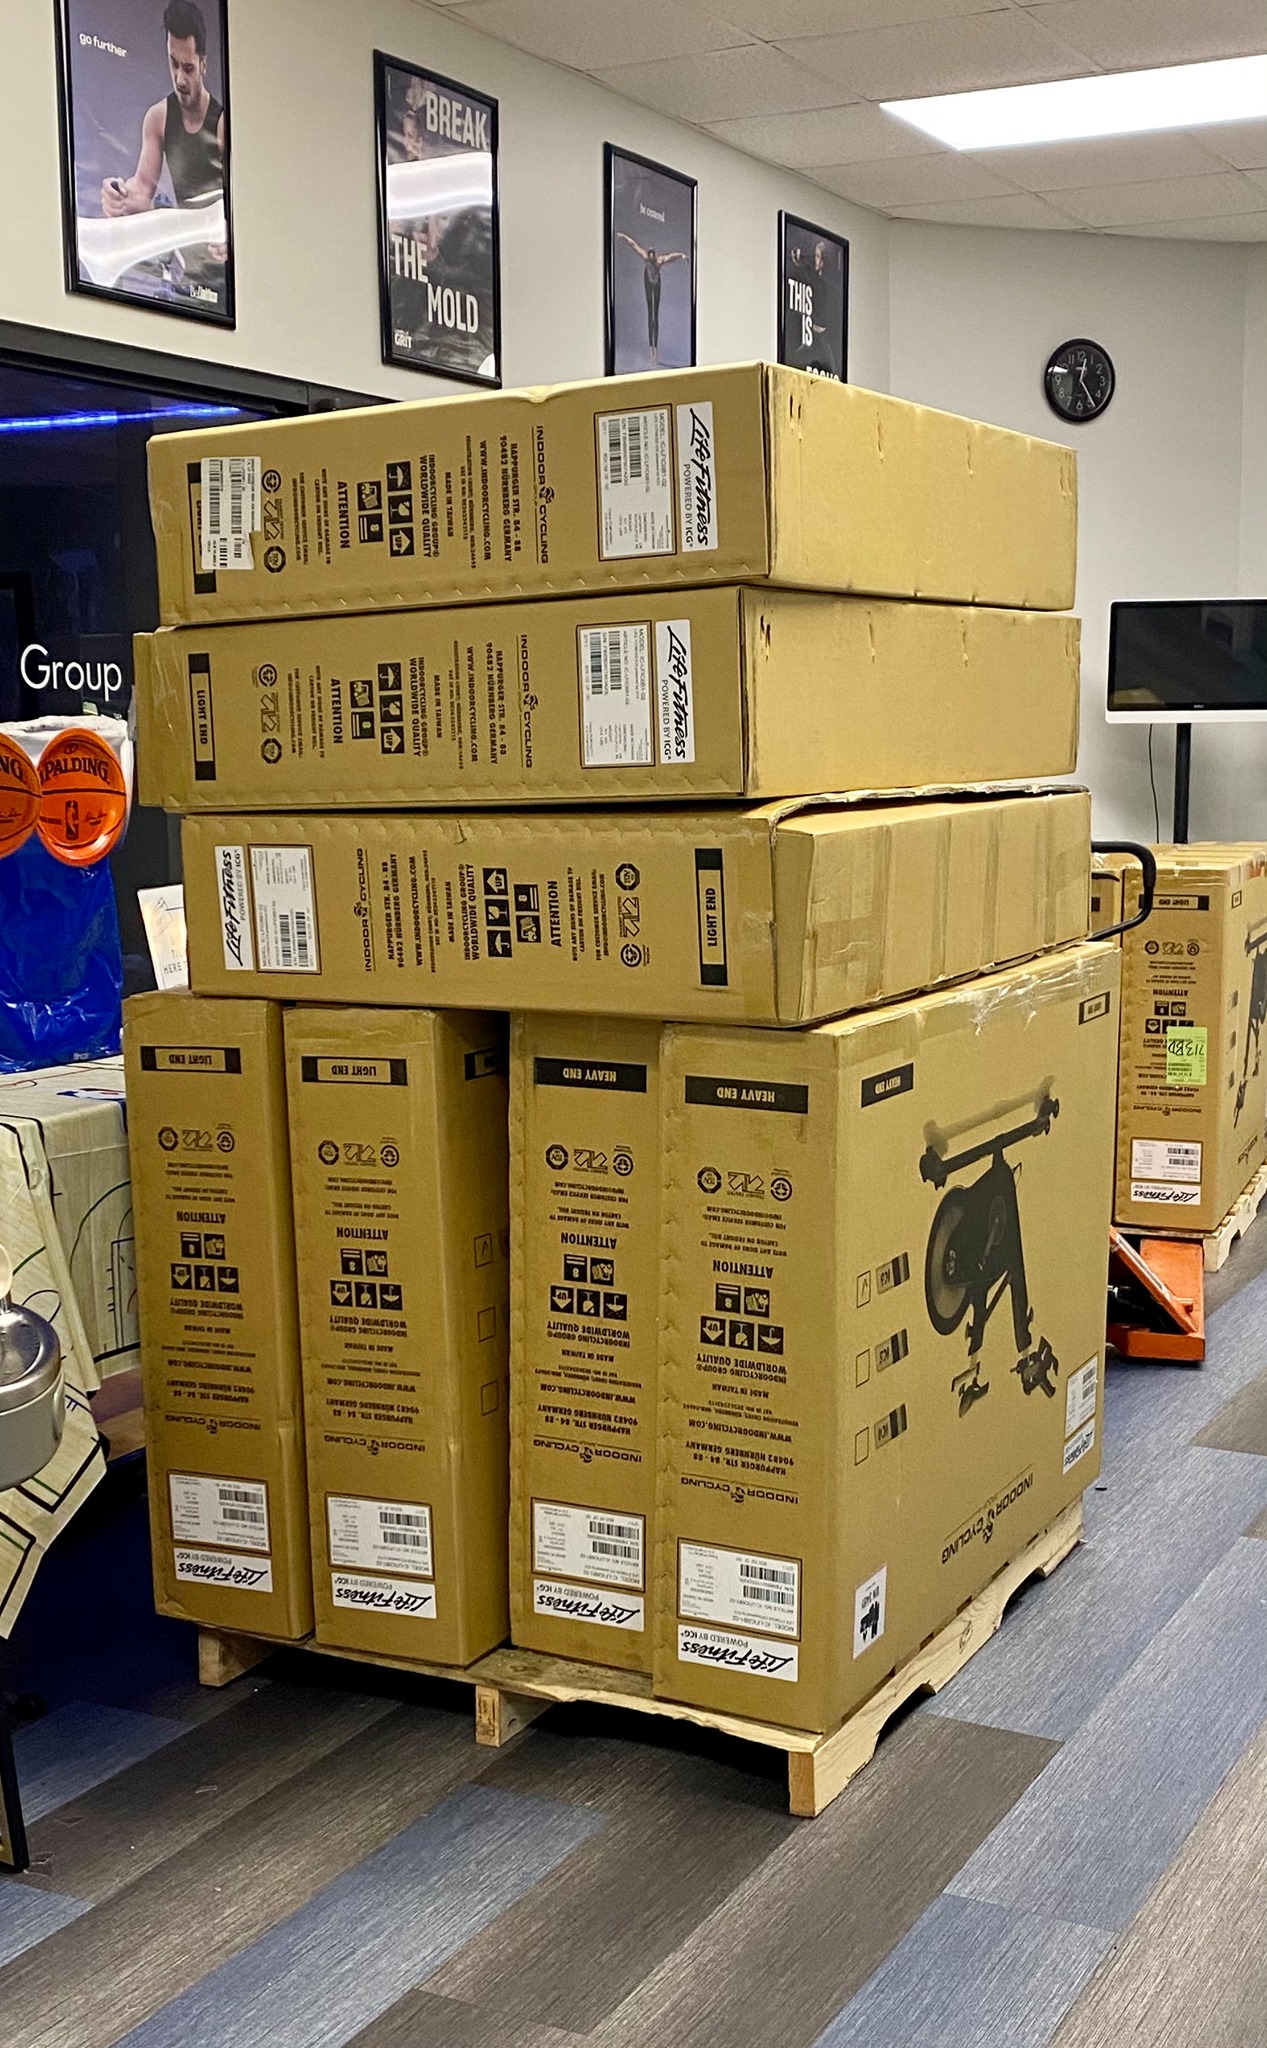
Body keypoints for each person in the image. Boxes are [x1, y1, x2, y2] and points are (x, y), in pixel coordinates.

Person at [99, 0, 226, 303]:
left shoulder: (224, 124)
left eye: (188, 68)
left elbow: (249, 207)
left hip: (229, 275)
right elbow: (142, 191)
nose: (180, 79)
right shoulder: (158, 118)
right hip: (192, 278)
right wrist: (118, 196)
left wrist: (235, 232)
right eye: (173, 64)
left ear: (203, 64)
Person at [616, 232, 687, 364]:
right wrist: (623, 237)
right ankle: (651, 351)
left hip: (656, 282)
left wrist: (681, 255)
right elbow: (633, 245)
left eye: (652, 259)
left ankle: (656, 351)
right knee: (650, 315)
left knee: (656, 316)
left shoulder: (659, 261)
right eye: (649, 259)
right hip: (648, 282)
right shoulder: (645, 258)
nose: (651, 261)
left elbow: (671, 257)